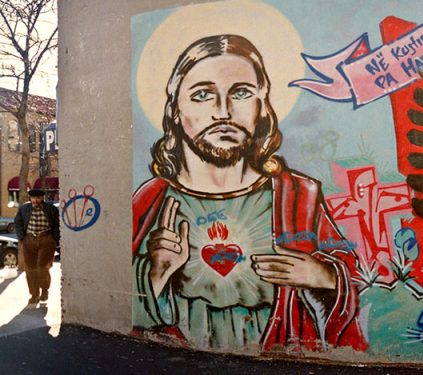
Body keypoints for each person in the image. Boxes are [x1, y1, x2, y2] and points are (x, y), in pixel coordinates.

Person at [131, 34, 365, 351]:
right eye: (202, 95)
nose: (223, 112)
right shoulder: (152, 200)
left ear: (261, 105)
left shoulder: (296, 195)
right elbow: (124, 304)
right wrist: (155, 272)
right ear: (175, 110)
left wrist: (322, 275)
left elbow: (353, 275)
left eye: (241, 93)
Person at [14, 188, 60, 305]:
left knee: (42, 266)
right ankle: (34, 294)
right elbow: (18, 222)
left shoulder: (51, 209)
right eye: (33, 198)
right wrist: (22, 238)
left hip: (46, 240)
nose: (36, 200)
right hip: (29, 240)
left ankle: (44, 290)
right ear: (30, 198)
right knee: (30, 268)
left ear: (42, 198)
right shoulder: (24, 208)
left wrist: (54, 238)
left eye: (38, 198)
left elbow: (57, 224)